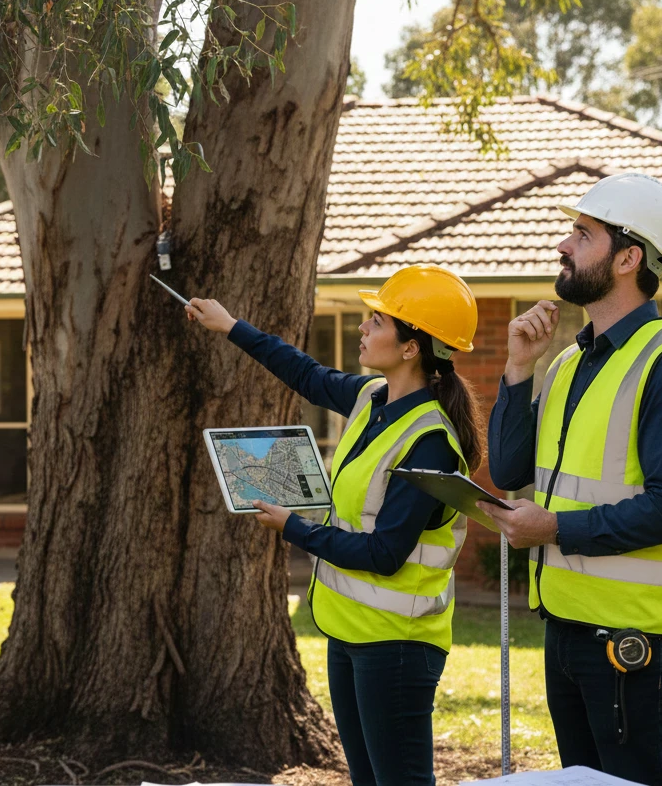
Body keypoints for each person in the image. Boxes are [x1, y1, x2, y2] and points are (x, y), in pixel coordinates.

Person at [186, 264, 484, 786]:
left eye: (376, 321)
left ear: (412, 346)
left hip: (396, 645)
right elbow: (304, 372)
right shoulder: (372, 398)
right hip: (348, 631)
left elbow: (384, 553)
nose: (363, 329)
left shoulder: (430, 442)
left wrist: (292, 527)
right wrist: (231, 326)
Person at [478, 173, 662, 786]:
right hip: (570, 628)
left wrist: (554, 527)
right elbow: (511, 470)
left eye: (581, 234)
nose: (562, 245)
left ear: (628, 258)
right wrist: (516, 368)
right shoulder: (568, 362)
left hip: (638, 641)